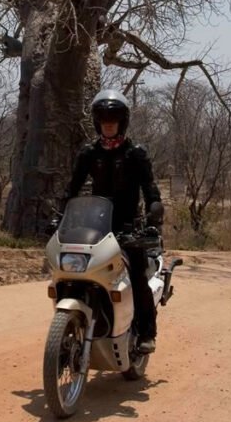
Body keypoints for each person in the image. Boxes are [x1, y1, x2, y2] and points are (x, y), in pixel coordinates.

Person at [56, 89, 163, 354]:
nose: (108, 124)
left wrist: (154, 214)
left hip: (129, 226)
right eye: (103, 118)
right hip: (97, 224)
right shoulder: (89, 153)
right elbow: (72, 189)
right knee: (78, 271)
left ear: (122, 121)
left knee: (136, 276)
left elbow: (150, 189)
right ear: (97, 121)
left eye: (113, 118)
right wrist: (60, 217)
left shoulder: (136, 153)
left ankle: (147, 332)